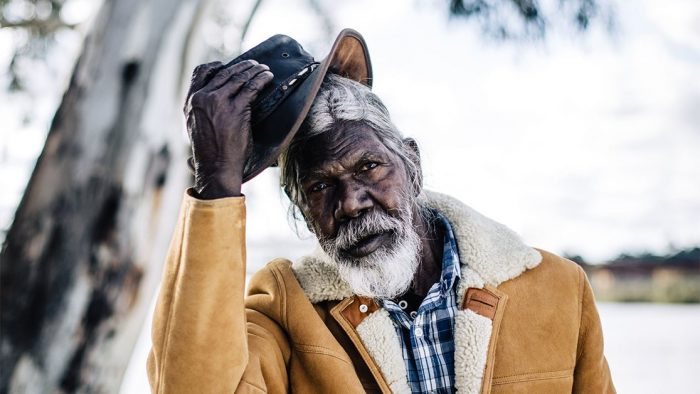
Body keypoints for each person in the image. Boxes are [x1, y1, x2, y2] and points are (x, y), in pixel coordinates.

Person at [147, 29, 615, 394]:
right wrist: (216, 182)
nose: (350, 202)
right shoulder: (285, 310)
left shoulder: (558, 289)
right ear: (303, 210)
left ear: (411, 163)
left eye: (369, 166)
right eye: (320, 186)